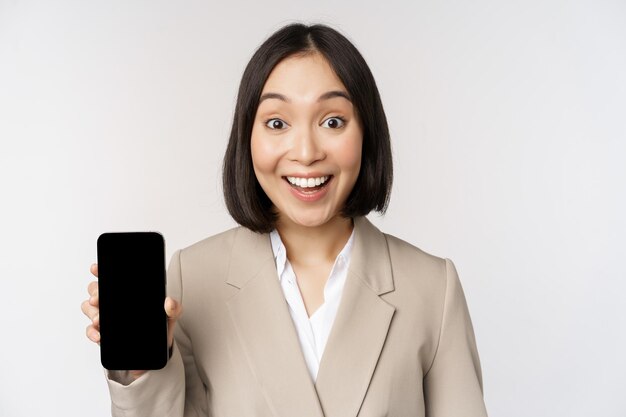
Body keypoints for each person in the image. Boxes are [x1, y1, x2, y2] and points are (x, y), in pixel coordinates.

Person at [82, 23, 488, 417]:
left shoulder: (433, 289)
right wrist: (141, 374)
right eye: (277, 123)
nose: (306, 151)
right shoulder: (195, 278)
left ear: (367, 132)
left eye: (333, 121)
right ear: (248, 136)